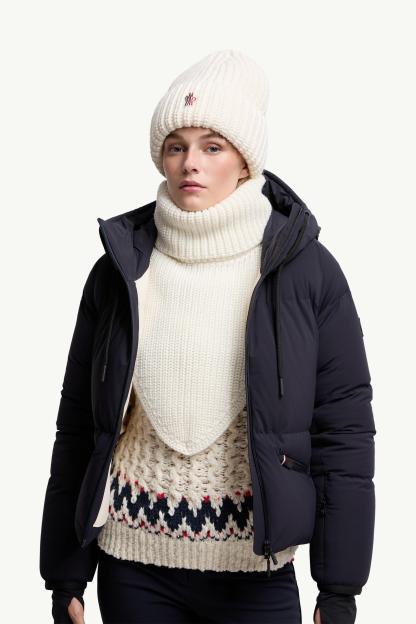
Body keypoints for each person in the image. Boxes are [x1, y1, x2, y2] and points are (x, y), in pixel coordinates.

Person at [39, 49, 376, 624]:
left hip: (256, 574)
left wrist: (339, 588)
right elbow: (79, 425)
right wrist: (65, 572)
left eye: (212, 147)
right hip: (133, 568)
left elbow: (343, 432)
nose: (190, 162)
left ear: (245, 161)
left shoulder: (305, 271)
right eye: (176, 146)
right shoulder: (121, 270)